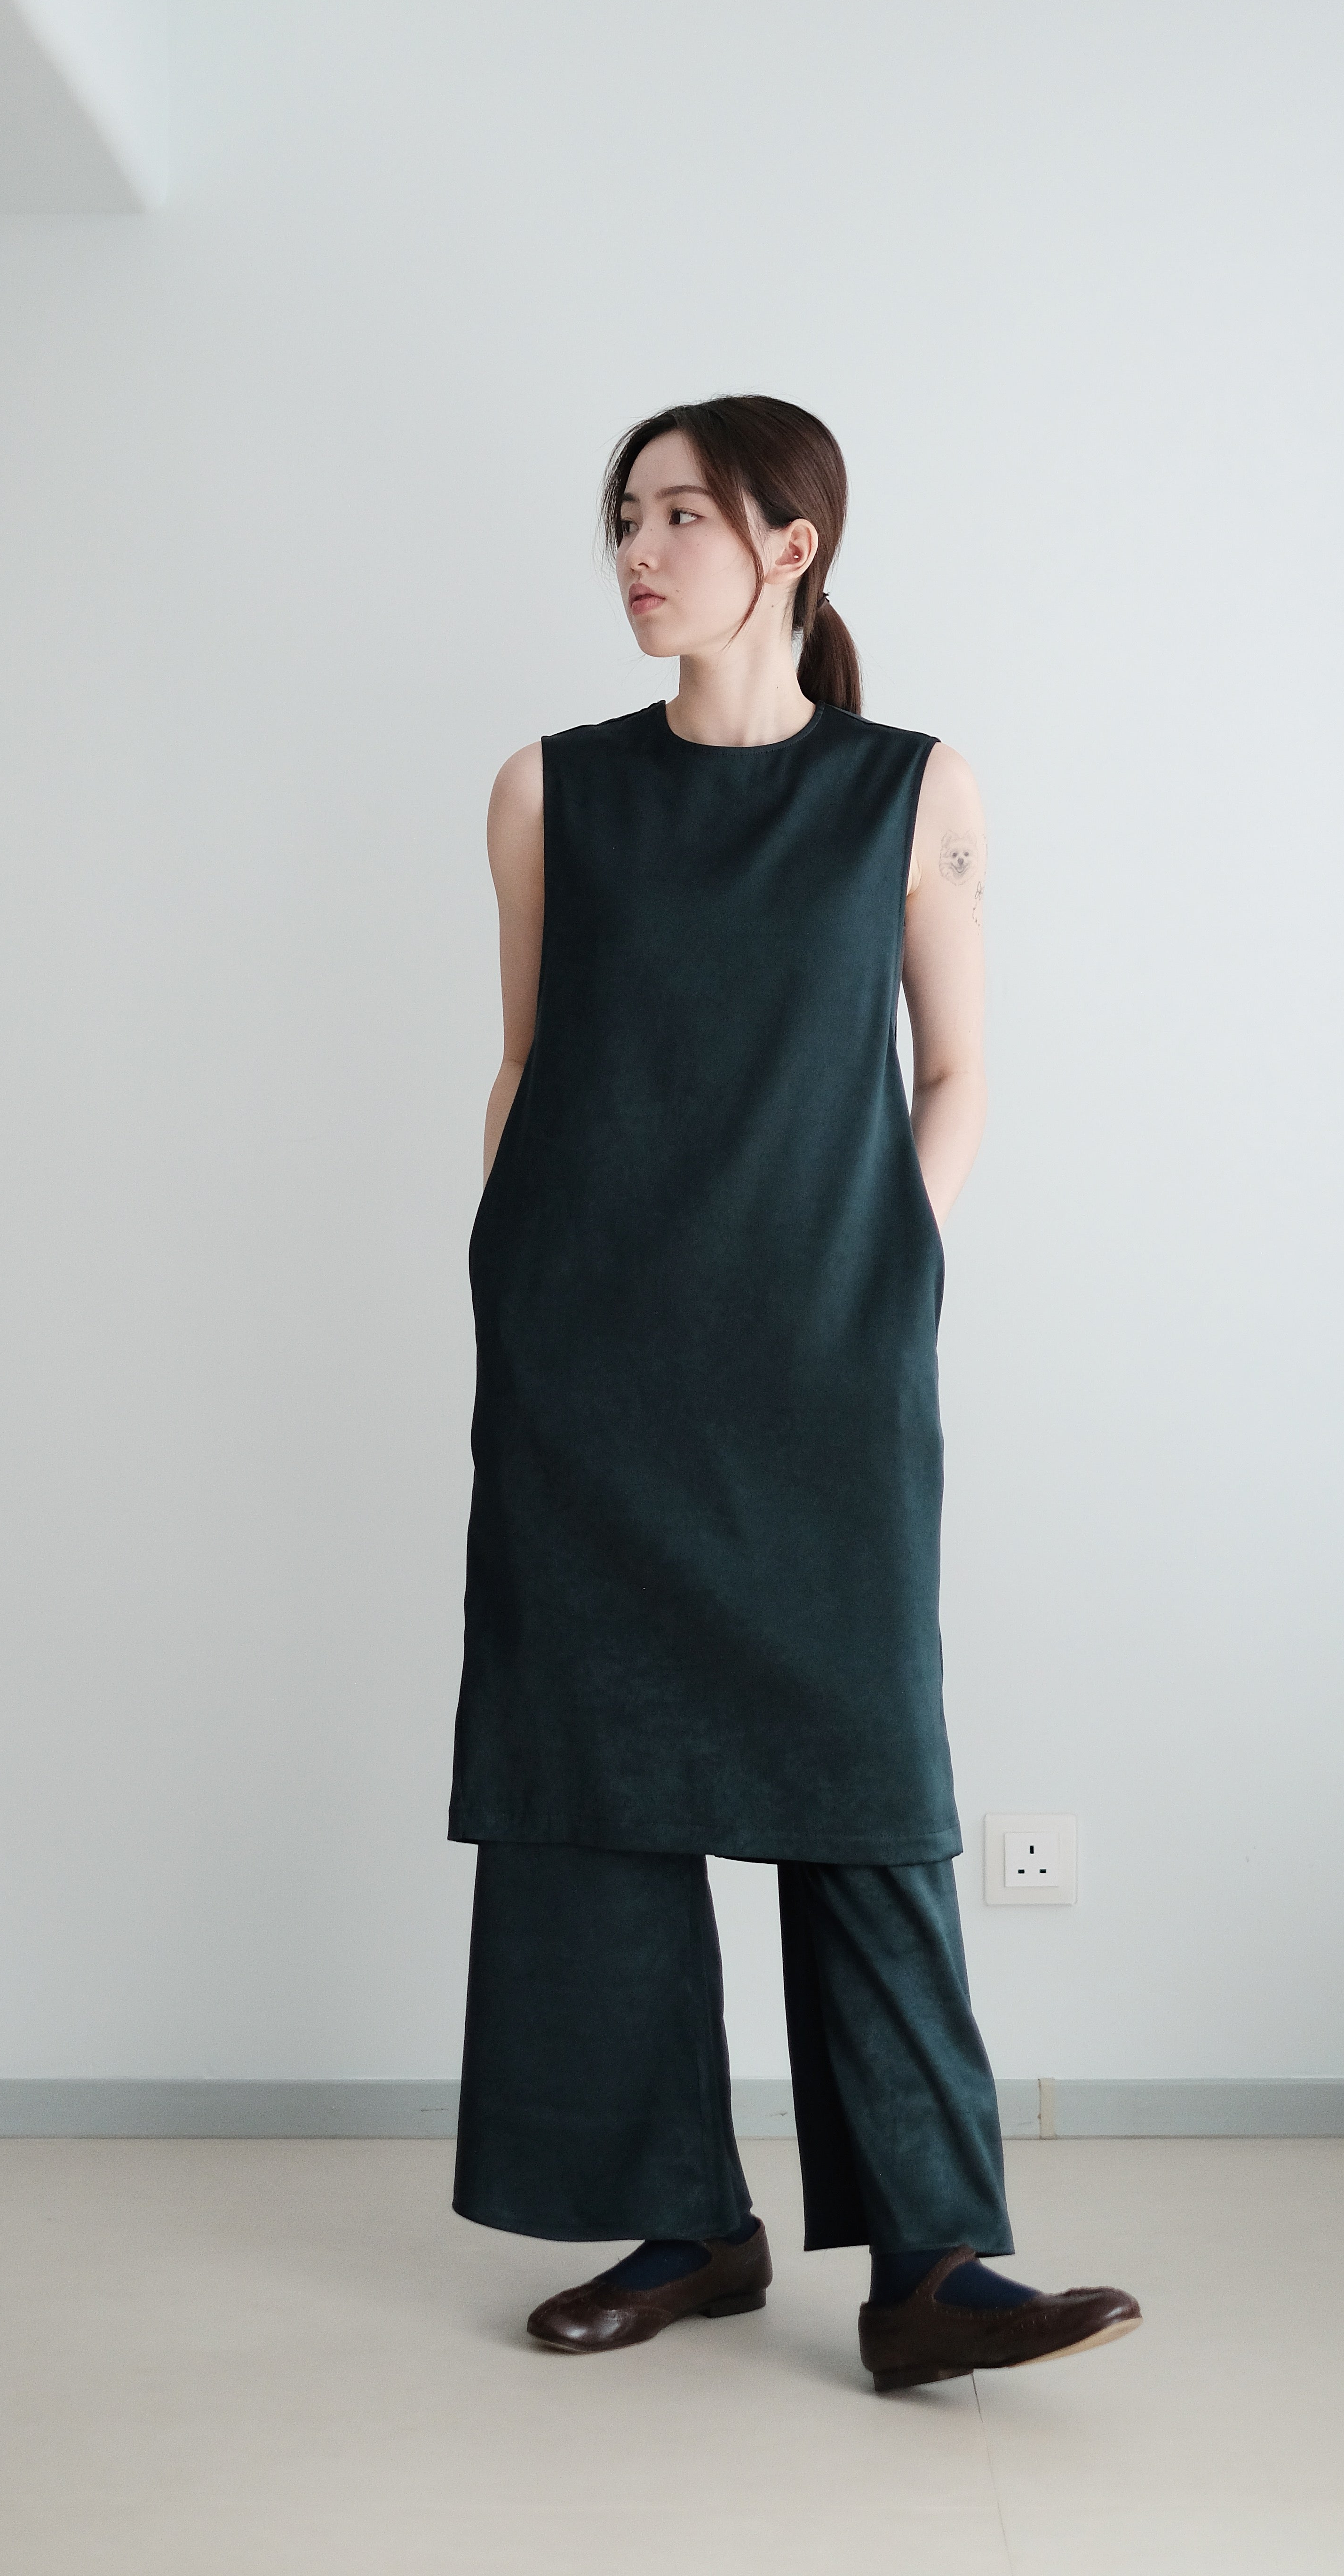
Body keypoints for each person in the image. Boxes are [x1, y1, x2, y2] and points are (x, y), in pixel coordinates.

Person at [446, 394, 1140, 2392]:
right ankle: (686, 2228)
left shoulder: (912, 790)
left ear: (791, 544)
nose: (637, 552)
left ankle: (932, 2264)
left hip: (827, 1358)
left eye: (681, 515)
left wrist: (885, 1268)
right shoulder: (548, 791)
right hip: (587, 1358)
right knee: (599, 1782)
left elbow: (959, 1073)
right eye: (623, 518)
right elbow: (527, 1067)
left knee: (868, 1785)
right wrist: (518, 1295)